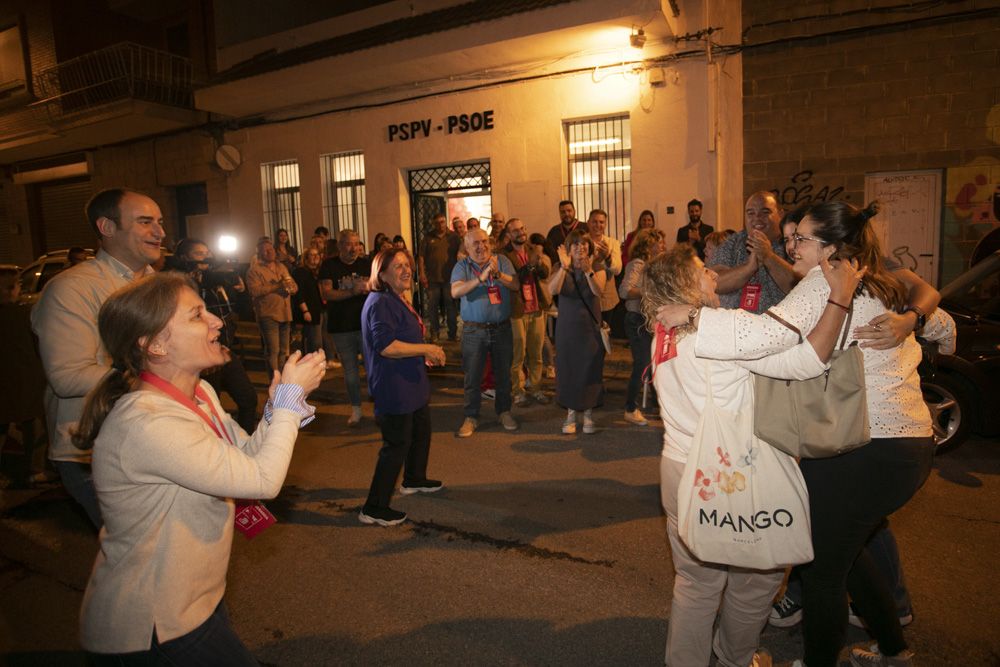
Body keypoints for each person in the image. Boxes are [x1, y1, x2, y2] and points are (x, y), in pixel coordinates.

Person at [659, 200, 934, 667]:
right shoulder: (883, 284)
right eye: (789, 238)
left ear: (830, 248)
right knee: (848, 548)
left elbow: (768, 335)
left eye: (800, 238)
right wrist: (915, 317)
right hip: (909, 443)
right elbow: (940, 322)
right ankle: (893, 649)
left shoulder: (820, 285)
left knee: (822, 565)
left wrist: (694, 318)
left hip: (864, 444)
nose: (790, 245)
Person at [73, 272, 325, 665]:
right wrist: (291, 402)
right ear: (154, 344)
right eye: (196, 316)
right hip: (151, 622)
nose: (217, 321)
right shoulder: (147, 422)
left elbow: (245, 458)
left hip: (192, 602)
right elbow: (262, 480)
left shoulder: (200, 393)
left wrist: (278, 409)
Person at [642, 244, 863, 667]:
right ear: (684, 283)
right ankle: (735, 658)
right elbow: (807, 360)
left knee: (695, 583)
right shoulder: (718, 329)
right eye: (701, 269)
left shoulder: (661, 330)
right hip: (728, 475)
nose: (711, 273)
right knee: (754, 580)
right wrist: (836, 295)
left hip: (677, 467)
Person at [32, 188, 163, 528]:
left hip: (153, 439)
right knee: (138, 557)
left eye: (160, 223)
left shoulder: (157, 286)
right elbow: (68, 376)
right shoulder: (72, 289)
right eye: (146, 222)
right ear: (107, 227)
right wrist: (159, 380)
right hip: (93, 449)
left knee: (159, 555)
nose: (160, 233)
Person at [359, 248, 447, 526]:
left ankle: (414, 478)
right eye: (398, 267)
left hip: (412, 382)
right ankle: (374, 507)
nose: (406, 270)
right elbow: (385, 346)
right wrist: (427, 348)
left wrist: (422, 354)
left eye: (407, 265)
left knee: (421, 432)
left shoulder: (396, 298)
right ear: (381, 273)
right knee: (395, 445)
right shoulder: (380, 302)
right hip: (393, 386)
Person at [169, 238, 257, 433]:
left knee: (248, 398)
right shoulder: (179, 286)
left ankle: (243, 444)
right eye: (199, 254)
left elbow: (238, 310)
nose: (206, 258)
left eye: (207, 253)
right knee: (210, 407)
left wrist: (241, 291)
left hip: (224, 349)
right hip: (200, 355)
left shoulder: (217, 280)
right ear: (184, 258)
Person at [450, 228, 519, 437]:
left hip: (501, 328)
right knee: (473, 376)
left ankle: (504, 411)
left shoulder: (502, 261)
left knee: (503, 375)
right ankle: (471, 416)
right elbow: (455, 291)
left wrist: (497, 274)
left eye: (484, 241)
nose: (481, 246)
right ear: (467, 248)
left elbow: (515, 284)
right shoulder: (462, 266)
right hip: (473, 331)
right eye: (476, 244)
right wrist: (481, 279)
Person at [548, 230, 606, 434]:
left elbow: (599, 290)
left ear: (590, 247)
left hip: (589, 327)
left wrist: (589, 270)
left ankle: (588, 414)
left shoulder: (597, 266)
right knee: (568, 369)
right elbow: (553, 290)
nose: (580, 248)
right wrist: (564, 267)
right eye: (575, 244)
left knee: (589, 369)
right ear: (568, 248)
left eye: (584, 244)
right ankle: (571, 414)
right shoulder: (560, 266)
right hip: (567, 328)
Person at [710, 191, 797, 313]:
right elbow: (714, 283)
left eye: (765, 212)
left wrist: (768, 256)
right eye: (750, 213)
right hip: (734, 325)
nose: (757, 218)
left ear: (781, 214)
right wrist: (749, 268)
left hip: (778, 327)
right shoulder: (734, 242)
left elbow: (800, 287)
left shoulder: (793, 243)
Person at [319, 229, 371, 426]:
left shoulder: (366, 264)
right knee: (350, 371)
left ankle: (380, 407)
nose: (354, 248)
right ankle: (356, 409)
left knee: (373, 367)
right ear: (340, 246)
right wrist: (352, 291)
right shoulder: (329, 266)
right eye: (349, 244)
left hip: (366, 325)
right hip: (341, 327)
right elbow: (326, 294)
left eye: (357, 243)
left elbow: (377, 287)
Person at [0, 268, 46, 488]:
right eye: (11, 286)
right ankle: (32, 470)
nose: (14, 290)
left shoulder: (25, 312)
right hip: (24, 378)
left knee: (27, 426)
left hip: (21, 379)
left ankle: (28, 469)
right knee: (32, 426)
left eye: (14, 285)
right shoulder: (24, 314)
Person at [619, 228, 666, 426]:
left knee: (655, 363)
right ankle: (630, 408)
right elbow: (625, 291)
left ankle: (659, 405)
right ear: (649, 244)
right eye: (660, 242)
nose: (663, 246)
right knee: (643, 363)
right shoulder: (637, 264)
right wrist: (650, 290)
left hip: (648, 320)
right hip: (636, 319)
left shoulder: (653, 265)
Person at [502, 218, 552, 407]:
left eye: (523, 228)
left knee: (536, 353)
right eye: (516, 230)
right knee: (518, 354)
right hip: (517, 310)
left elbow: (545, 273)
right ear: (509, 235)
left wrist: (537, 264)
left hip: (536, 307)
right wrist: (530, 265)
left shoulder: (533, 249)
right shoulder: (504, 255)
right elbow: (515, 281)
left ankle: (536, 388)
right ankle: (518, 391)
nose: (521, 233)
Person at [247, 238, 298, 378]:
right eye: (266, 250)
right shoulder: (254, 271)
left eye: (271, 249)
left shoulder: (281, 267)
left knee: (283, 350)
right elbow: (255, 291)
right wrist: (277, 286)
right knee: (273, 350)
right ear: (260, 253)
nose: (270, 252)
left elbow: (292, 284)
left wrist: (292, 288)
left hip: (285, 312)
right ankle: (274, 380)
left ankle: (281, 377)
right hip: (268, 314)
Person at [418, 214, 461, 342]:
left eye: (442, 222)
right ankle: (434, 333)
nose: (440, 225)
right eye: (437, 223)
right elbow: (421, 257)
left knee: (451, 307)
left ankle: (452, 334)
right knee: (432, 307)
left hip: (450, 278)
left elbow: (461, 254)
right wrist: (422, 273)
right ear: (433, 224)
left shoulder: (454, 237)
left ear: (445, 222)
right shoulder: (427, 237)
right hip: (432, 279)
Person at [585, 208, 623, 320]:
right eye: (594, 221)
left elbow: (617, 270)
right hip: (586, 297)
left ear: (605, 224)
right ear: (588, 223)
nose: (598, 225)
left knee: (605, 334)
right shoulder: (581, 242)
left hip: (607, 299)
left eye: (601, 222)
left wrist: (607, 257)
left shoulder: (613, 243)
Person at [292, 247, 325, 354]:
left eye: (317, 254)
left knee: (317, 341)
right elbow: (298, 293)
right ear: (305, 259)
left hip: (317, 310)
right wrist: (305, 310)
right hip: (307, 311)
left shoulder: (316, 273)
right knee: (314, 342)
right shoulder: (300, 272)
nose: (316, 257)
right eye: (312, 254)